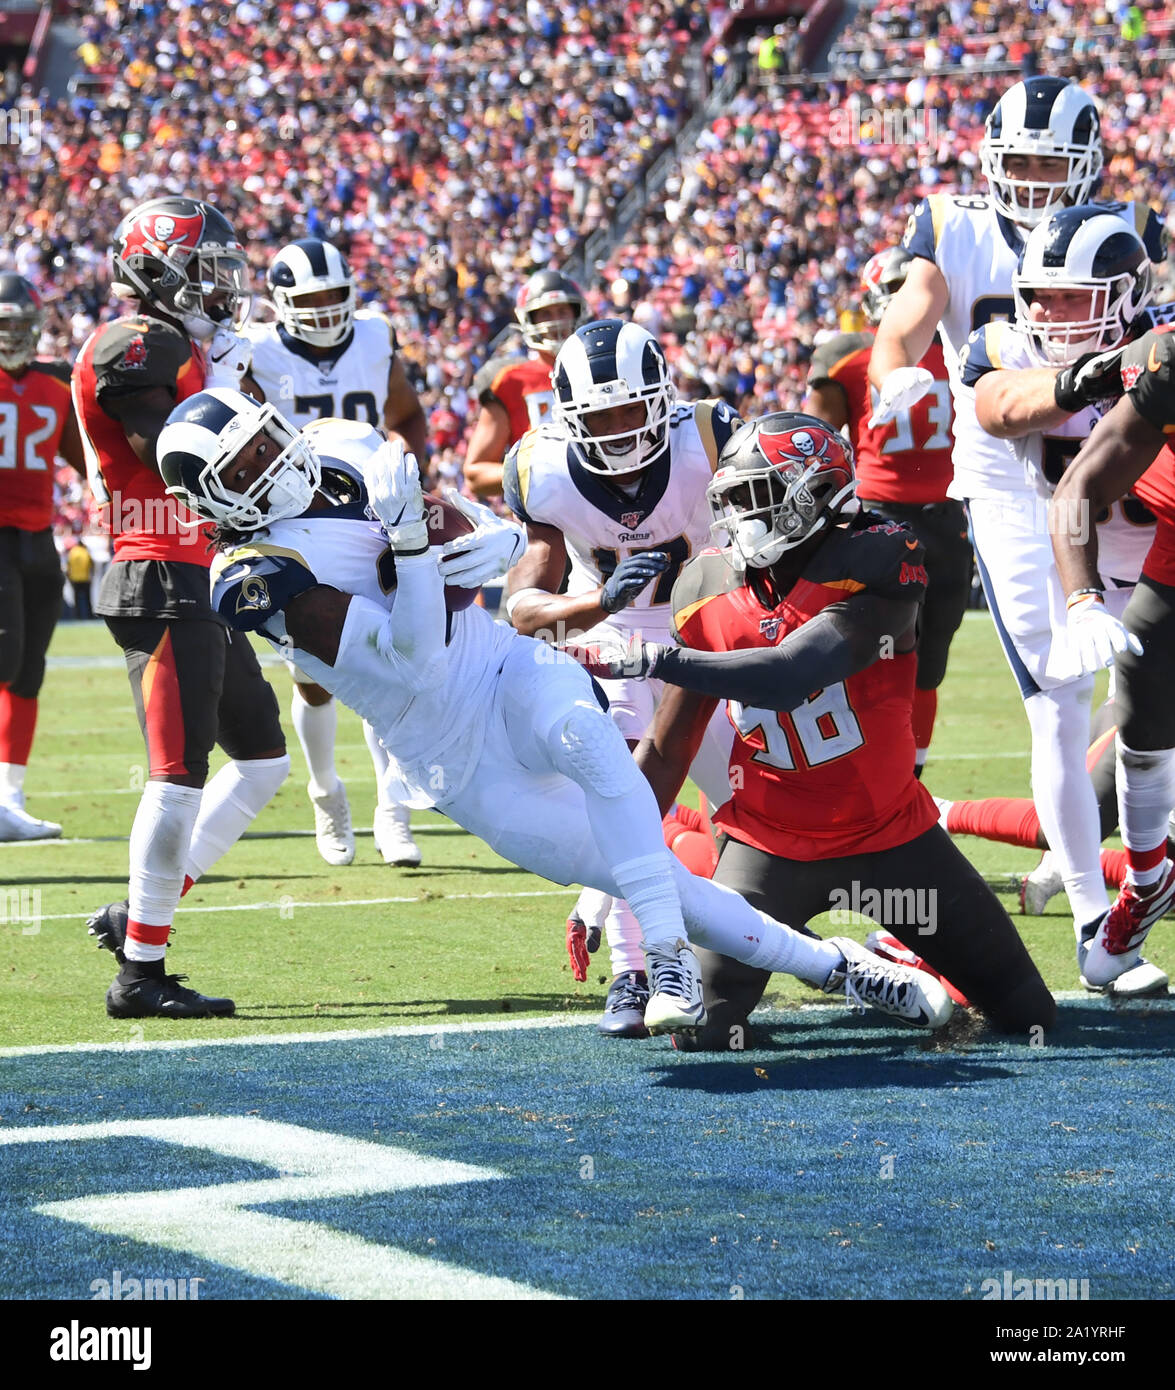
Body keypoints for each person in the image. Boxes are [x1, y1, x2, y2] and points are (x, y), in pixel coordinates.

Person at [158, 388, 956, 1040]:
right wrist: (409, 550)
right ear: (209, 499)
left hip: (503, 665)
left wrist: (486, 545)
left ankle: (664, 956)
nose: (272, 463)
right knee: (650, 876)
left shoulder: (339, 448)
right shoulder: (250, 577)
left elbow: (472, 535)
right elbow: (410, 656)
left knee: (584, 734)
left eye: (266, 442)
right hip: (448, 750)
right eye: (245, 467)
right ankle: (841, 968)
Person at [567, 412, 1055, 1050]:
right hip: (770, 846)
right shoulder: (706, 585)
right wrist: (605, 873)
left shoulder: (881, 553)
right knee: (707, 1032)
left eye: (755, 498)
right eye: (732, 501)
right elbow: (667, 747)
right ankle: (849, 965)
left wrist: (652, 658)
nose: (739, 518)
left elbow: (789, 673)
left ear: (814, 493)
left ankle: (905, 961)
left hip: (894, 839)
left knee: (1030, 1016)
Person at [73, 196, 290, 1019]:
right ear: (159, 270)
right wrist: (229, 393)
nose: (221, 286)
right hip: (160, 572)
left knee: (263, 760)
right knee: (175, 776)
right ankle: (139, 973)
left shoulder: (178, 345)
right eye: (205, 269)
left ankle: (140, 914)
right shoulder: (142, 342)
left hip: (198, 572)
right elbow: (168, 456)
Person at [504, 318, 741, 1037]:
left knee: (748, 800)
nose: (615, 431)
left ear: (661, 398)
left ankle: (757, 953)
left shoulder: (708, 435)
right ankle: (633, 975)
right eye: (596, 417)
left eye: (629, 410)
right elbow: (524, 607)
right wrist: (595, 600)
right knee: (631, 808)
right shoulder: (539, 468)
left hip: (709, 631)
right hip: (610, 641)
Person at [951, 206, 1163, 992]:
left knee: (1148, 699)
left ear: (1122, 293)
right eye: (1037, 295)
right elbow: (1001, 406)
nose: (1045, 312)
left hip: (1142, 517)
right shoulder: (999, 342)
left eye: (1070, 298)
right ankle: (1087, 918)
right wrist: (1108, 370)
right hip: (1023, 498)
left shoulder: (1161, 325)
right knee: (1057, 701)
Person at [244, 237, 429, 869]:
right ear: (282, 304)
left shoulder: (375, 338)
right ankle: (326, 791)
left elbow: (407, 415)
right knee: (315, 676)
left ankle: (392, 807)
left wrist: (404, 466)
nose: (325, 311)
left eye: (333, 296)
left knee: (385, 659)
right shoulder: (258, 352)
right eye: (311, 300)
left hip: (368, 518)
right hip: (295, 524)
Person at [804, 247, 966, 776]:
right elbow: (818, 445)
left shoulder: (963, 350)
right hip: (879, 514)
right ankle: (862, 760)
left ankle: (911, 773)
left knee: (930, 659)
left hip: (948, 513)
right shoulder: (849, 359)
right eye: (897, 287)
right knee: (873, 650)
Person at [1050, 321, 1175, 991]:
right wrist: (1081, 600)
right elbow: (1077, 488)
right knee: (1140, 696)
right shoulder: (1169, 359)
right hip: (1173, 566)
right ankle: (1147, 880)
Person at [0, 273, 87, 840]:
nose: (13, 334)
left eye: (21, 323)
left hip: (38, 539)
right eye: (3, 323)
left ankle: (10, 799)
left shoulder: (56, 383)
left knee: (29, 671)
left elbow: (88, 463)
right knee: (3, 663)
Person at [462, 270, 586, 500]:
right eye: (546, 314)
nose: (555, 321)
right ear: (528, 320)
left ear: (576, 313)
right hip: (544, 519)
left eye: (562, 311)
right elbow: (476, 473)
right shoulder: (509, 380)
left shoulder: (600, 368)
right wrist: (538, 472)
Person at [66, 537, 94, 620]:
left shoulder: (72, 552)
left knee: (76, 599)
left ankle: (77, 616)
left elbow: (68, 566)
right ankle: (89, 616)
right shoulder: (86, 552)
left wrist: (70, 577)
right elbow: (92, 565)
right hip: (85, 578)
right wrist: (91, 576)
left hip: (74, 579)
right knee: (87, 599)